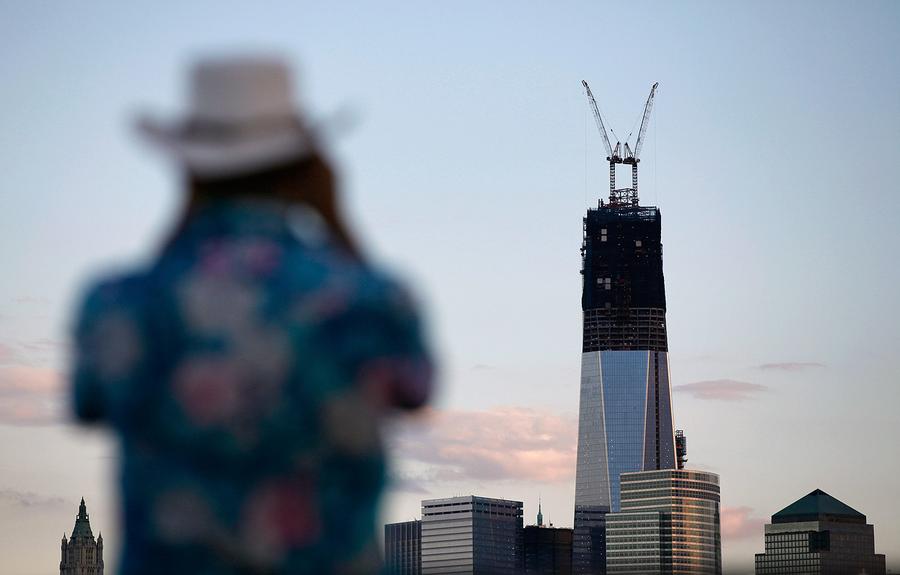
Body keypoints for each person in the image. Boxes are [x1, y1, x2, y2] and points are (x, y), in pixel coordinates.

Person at [69, 56, 433, 574]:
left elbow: (89, 402)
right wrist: (336, 221)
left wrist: (186, 224)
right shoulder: (371, 301)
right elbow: (416, 389)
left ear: (189, 168)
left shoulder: (117, 303)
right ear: (306, 171)